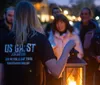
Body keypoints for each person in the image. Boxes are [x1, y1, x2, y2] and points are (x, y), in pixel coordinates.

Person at [0, 1, 75, 85]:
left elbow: (1, 78)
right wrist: (67, 49)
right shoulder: (39, 39)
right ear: (33, 16)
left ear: (16, 16)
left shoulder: (6, 39)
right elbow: (56, 71)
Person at [46, 14, 83, 85]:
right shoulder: (51, 37)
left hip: (71, 72)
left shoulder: (74, 36)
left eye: (61, 22)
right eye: (57, 23)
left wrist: (73, 67)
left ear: (66, 23)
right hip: (56, 73)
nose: (59, 25)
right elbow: (49, 55)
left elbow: (80, 53)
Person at [74, 7, 99, 85]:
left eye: (86, 14)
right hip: (79, 56)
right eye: (82, 14)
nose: (84, 15)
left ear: (90, 15)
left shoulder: (95, 28)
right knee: (79, 78)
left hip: (92, 57)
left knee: (91, 78)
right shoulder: (76, 27)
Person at [0, 6, 15, 85]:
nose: (12, 18)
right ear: (4, 15)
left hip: (12, 62)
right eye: (9, 15)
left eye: (13, 16)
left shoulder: (17, 28)